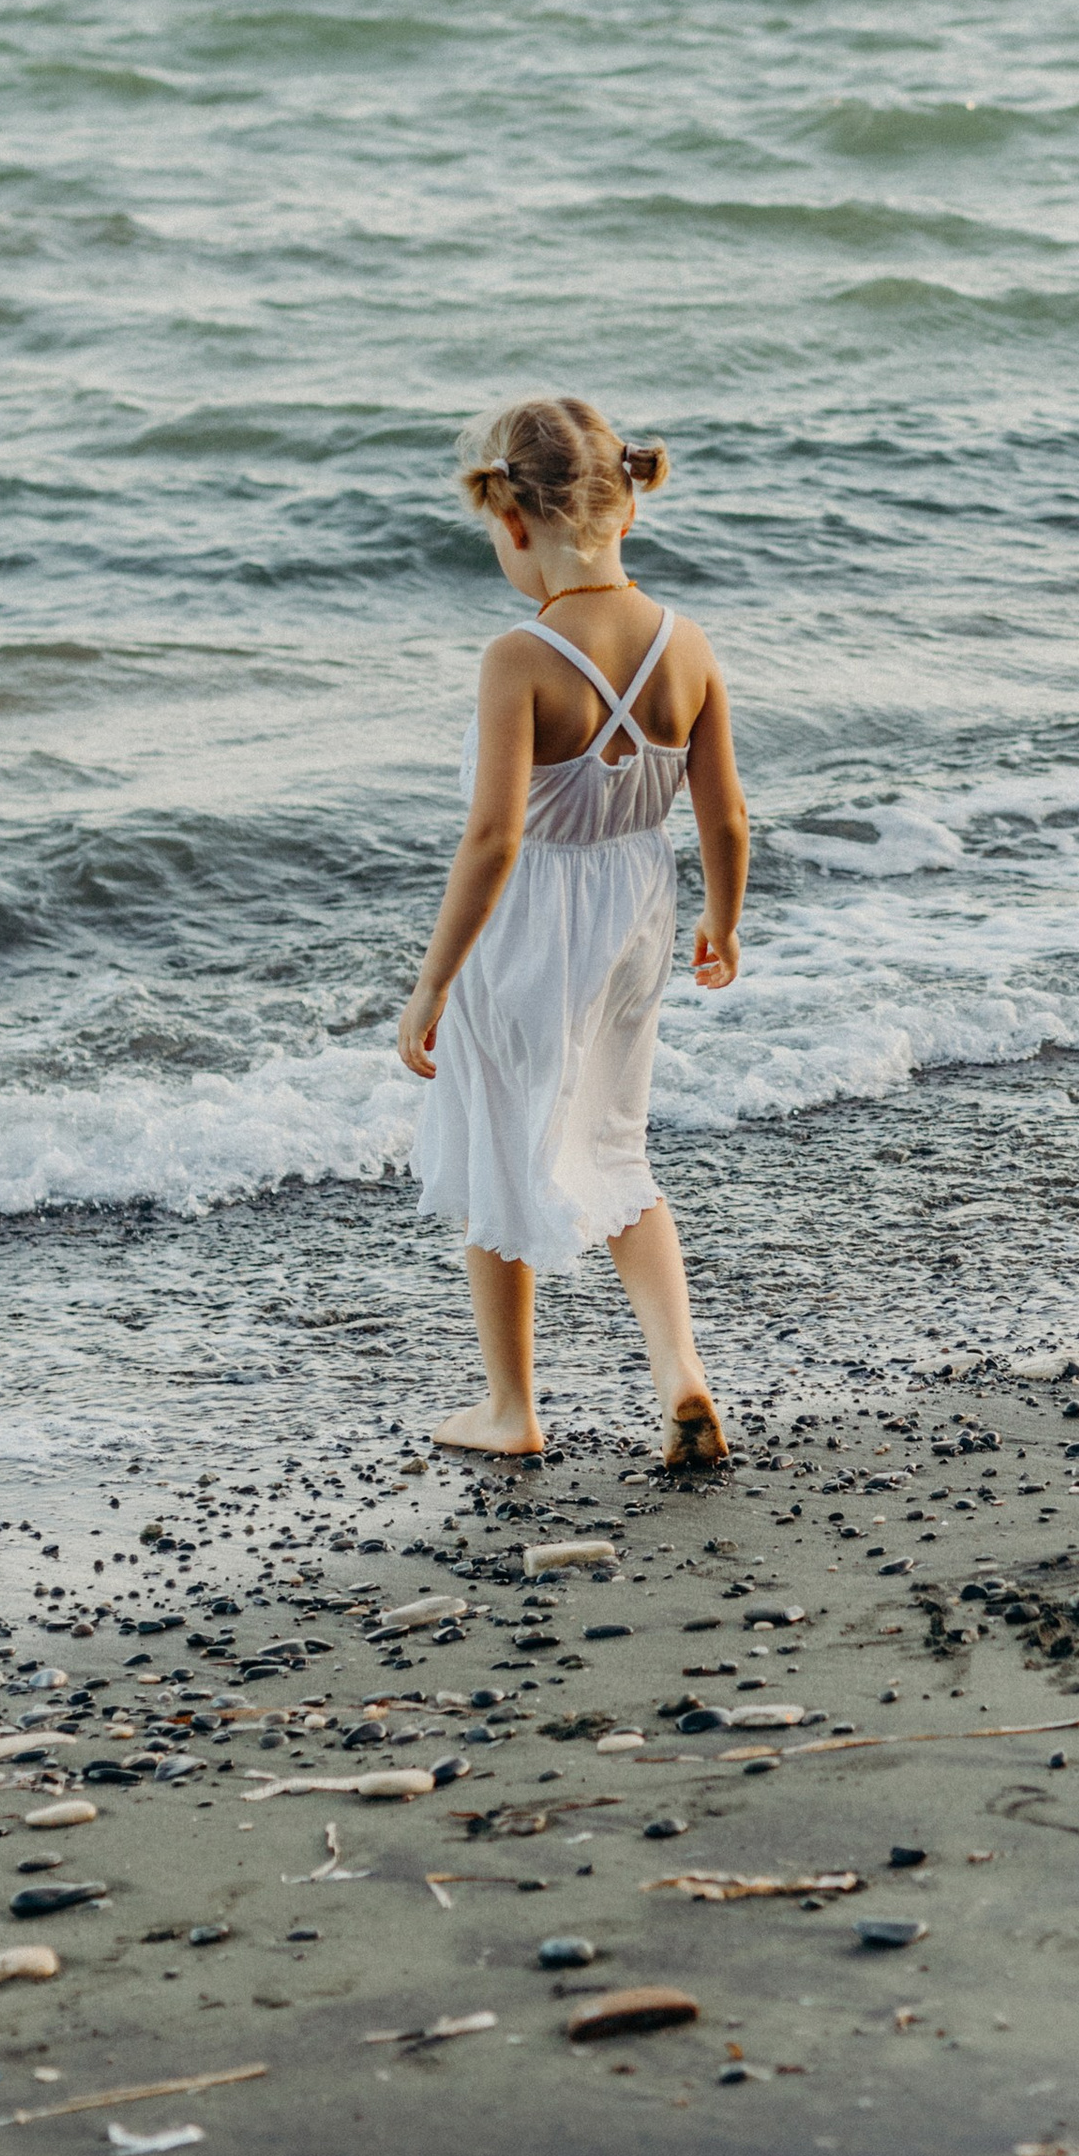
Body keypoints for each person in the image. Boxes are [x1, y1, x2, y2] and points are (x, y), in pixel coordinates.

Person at [397, 392, 747, 1471]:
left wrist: (431, 983)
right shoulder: (682, 645)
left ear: (511, 522)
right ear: (626, 508)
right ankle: (679, 1373)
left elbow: (494, 840)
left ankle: (512, 1407)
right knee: (612, 1145)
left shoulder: (519, 656)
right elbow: (724, 815)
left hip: (524, 938)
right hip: (637, 922)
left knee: (505, 1149)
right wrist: (721, 927)